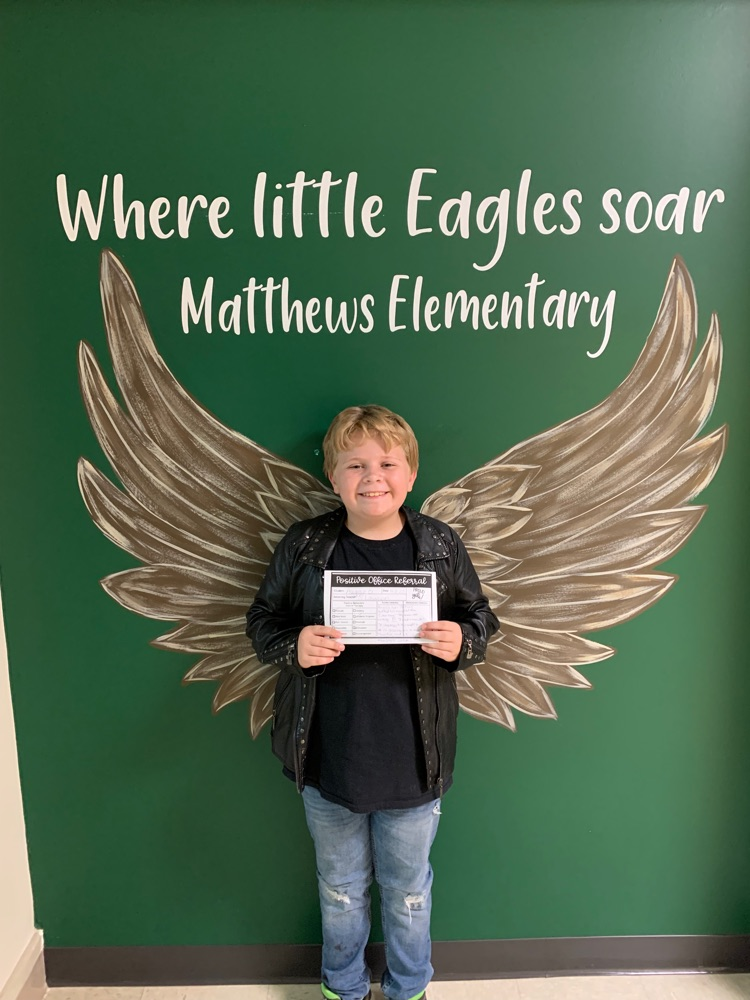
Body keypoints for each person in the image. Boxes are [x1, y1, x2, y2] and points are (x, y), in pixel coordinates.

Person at [246, 405, 499, 1000]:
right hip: (327, 758)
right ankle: (344, 986)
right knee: (340, 889)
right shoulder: (305, 544)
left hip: (414, 762)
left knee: (409, 891)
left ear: (411, 474)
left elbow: (482, 618)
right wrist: (293, 646)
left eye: (387, 463)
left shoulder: (439, 543)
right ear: (333, 477)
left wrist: (462, 641)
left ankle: (409, 988)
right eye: (355, 464)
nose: (372, 477)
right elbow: (262, 621)